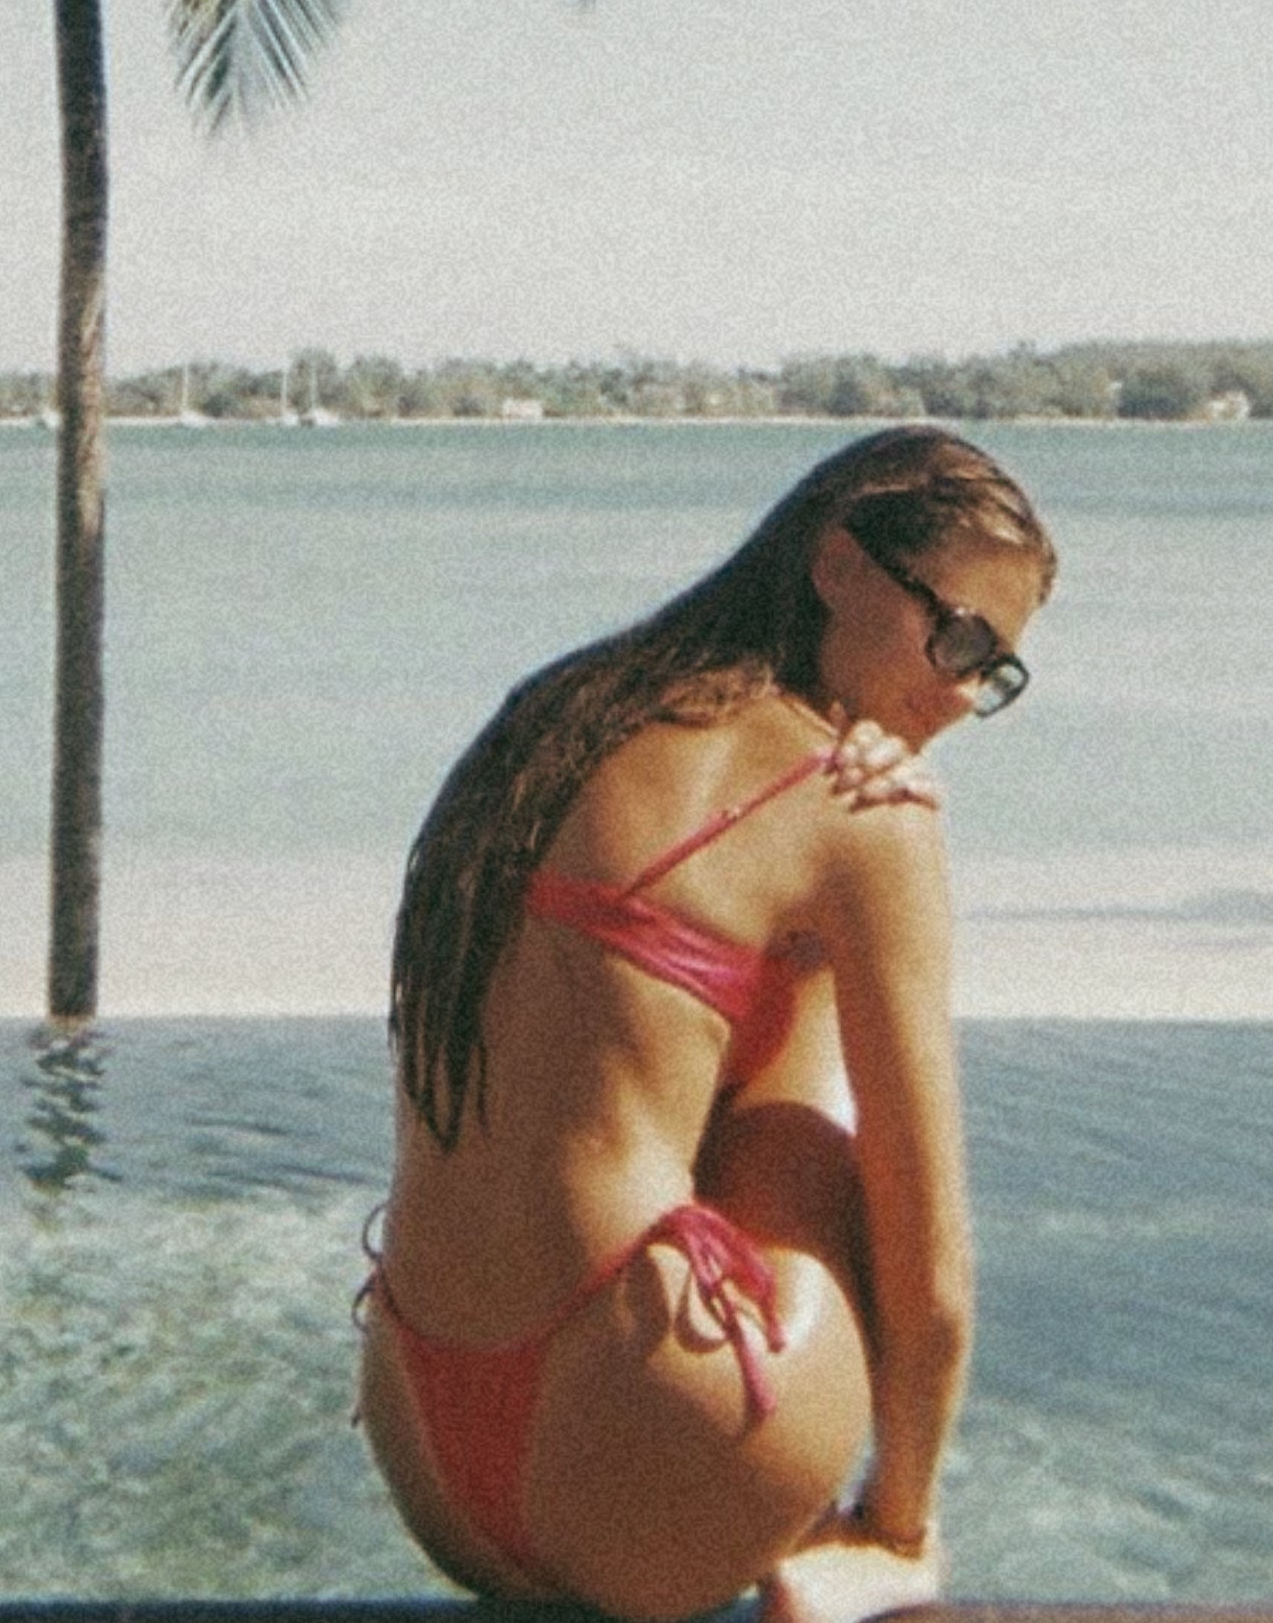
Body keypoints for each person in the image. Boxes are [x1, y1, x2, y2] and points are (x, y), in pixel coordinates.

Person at [359, 423, 1056, 1623]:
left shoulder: (552, 717)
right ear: (835, 563)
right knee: (800, 1118)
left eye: (990, 673)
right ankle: (869, 1559)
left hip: (425, 1448)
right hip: (670, 1439)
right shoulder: (855, 807)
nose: (951, 696)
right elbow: (926, 1249)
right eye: (951, 636)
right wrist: (900, 1523)